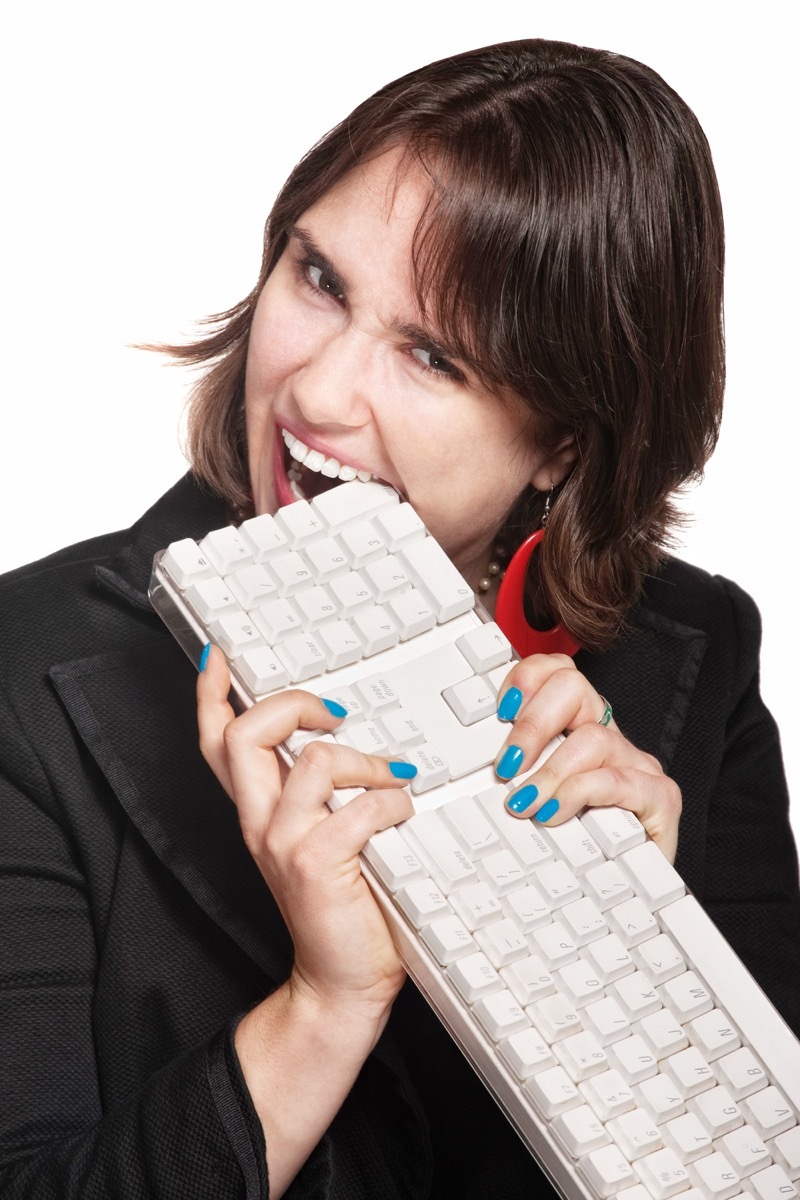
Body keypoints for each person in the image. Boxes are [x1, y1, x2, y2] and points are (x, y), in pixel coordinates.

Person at [1, 36, 798, 1200]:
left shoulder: (693, 655)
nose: (315, 392)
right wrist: (323, 1007)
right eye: (319, 280)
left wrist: (629, 950)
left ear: (562, 444)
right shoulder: (26, 672)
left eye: (431, 355)